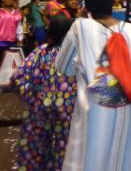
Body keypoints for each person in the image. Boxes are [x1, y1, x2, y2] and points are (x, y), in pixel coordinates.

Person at [55, 0, 131, 171]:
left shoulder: (79, 28)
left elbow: (63, 67)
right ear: (112, 3)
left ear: (87, 5)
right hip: (128, 112)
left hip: (91, 111)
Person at [14, 16, 76, 171]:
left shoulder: (41, 51)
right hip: (69, 110)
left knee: (39, 144)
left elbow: (19, 77)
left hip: (41, 108)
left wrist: (31, 96)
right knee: (66, 145)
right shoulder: (78, 54)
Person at [0, 0, 24, 79]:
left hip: (12, 42)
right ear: (3, 1)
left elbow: (19, 26)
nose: (8, 1)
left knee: (9, 63)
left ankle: (6, 82)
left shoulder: (17, 13)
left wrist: (20, 38)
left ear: (13, 1)